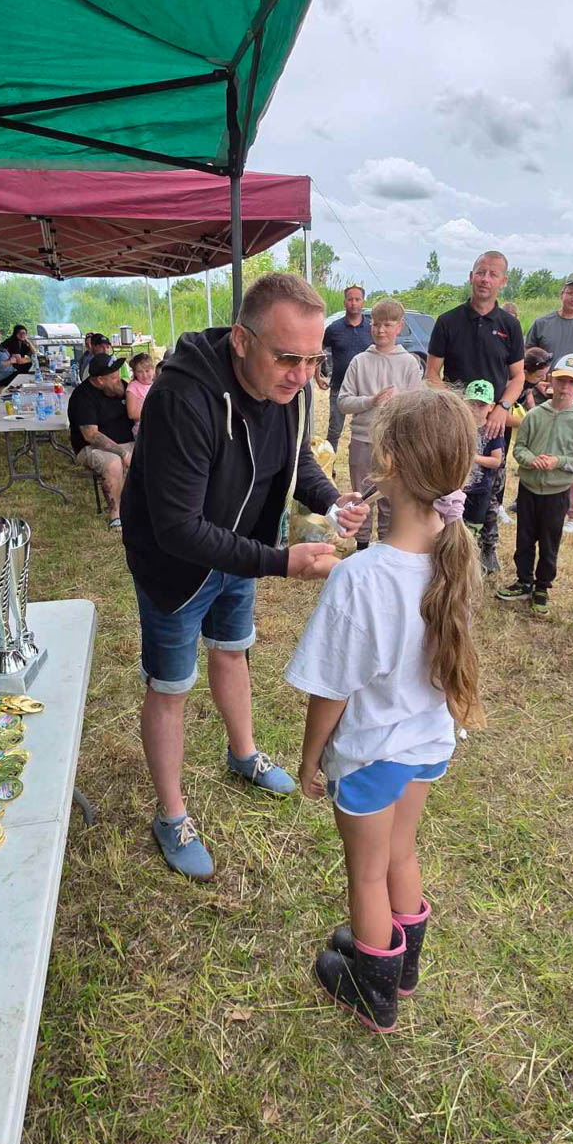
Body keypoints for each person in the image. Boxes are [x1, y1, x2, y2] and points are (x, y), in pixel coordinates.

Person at [120, 273, 365, 879]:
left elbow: (295, 457)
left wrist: (332, 501)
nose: (301, 376)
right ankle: (171, 815)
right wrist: (279, 560)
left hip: (238, 552)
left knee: (232, 651)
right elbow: (178, 528)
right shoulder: (182, 398)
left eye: (312, 360)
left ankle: (244, 752)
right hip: (175, 567)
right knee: (170, 686)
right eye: (287, 358)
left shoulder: (293, 389)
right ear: (240, 339)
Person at [286, 389, 482, 1032]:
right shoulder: (456, 559)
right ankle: (403, 967)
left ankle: (374, 993)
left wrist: (310, 761)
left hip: (371, 755)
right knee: (401, 853)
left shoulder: (360, 577)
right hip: (426, 746)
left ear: (387, 461)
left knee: (367, 876)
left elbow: (331, 690)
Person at [427, 252, 525, 574]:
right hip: (455, 421)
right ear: (471, 276)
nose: (485, 279)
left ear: (503, 281)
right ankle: (444, 545)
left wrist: (502, 408)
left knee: (492, 487)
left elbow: (518, 377)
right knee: (449, 482)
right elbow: (432, 375)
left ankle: (487, 548)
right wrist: (455, 408)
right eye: (480, 272)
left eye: (493, 274)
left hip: (493, 422)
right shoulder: (447, 321)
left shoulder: (510, 326)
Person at [495, 354, 573, 616]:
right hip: (529, 488)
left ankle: (542, 586)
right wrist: (531, 460)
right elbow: (519, 449)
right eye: (561, 380)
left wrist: (558, 461)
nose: (565, 387)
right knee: (524, 538)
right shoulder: (534, 415)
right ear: (551, 379)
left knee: (550, 542)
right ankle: (523, 581)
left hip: (556, 492)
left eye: (571, 382)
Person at [338, 299, 424, 550]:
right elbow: (343, 402)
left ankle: (387, 546)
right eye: (376, 324)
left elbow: (416, 407)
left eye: (387, 325)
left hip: (394, 443)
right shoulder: (359, 361)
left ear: (400, 327)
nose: (381, 330)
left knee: (391, 498)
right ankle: (362, 546)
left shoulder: (409, 363)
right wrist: (371, 400)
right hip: (363, 439)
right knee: (362, 496)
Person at [71, 352, 138, 530]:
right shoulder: (82, 397)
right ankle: (116, 515)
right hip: (91, 447)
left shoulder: (122, 388)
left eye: (119, 374)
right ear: (100, 380)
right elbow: (91, 435)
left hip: (128, 441)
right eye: (114, 377)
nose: (119, 380)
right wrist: (123, 453)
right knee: (113, 463)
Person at [320, 285, 373, 454]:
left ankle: (364, 464)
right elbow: (318, 350)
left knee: (367, 433)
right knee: (334, 431)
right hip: (339, 387)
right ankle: (329, 464)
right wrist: (317, 376)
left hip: (366, 389)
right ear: (345, 302)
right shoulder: (334, 328)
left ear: (363, 302)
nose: (354, 303)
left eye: (357, 299)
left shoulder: (372, 328)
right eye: (350, 299)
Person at [460, 381, 506, 549]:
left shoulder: (492, 430)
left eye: (481, 405)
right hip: (459, 488)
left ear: (491, 406)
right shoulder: (460, 427)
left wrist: (474, 458)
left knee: (473, 530)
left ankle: (474, 555)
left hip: (480, 490)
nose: (476, 409)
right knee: (454, 527)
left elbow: (496, 461)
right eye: (472, 403)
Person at [125, 351, 155, 436]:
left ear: (153, 370)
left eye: (147, 371)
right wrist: (154, 412)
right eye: (139, 372)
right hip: (143, 430)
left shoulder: (156, 384)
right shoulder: (133, 387)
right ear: (134, 373)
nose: (144, 375)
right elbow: (132, 414)